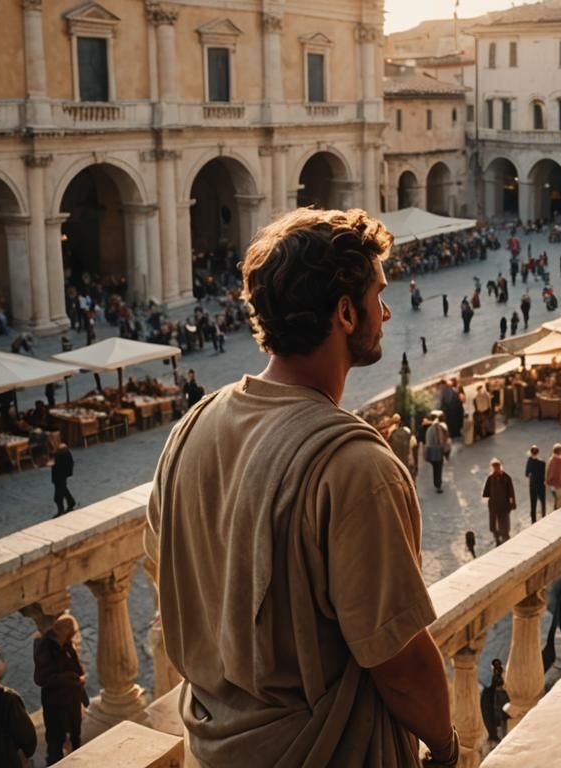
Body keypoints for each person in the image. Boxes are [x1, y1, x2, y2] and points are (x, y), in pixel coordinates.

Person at [144, 208, 458, 767]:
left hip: (213, 749)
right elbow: (400, 660)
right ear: (344, 312)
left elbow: (161, 573)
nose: (385, 312)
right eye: (377, 295)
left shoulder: (189, 429)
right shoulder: (356, 468)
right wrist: (447, 745)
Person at [34, 614, 87, 764]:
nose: (72, 637)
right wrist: (69, 678)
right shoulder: (44, 647)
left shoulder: (67, 644)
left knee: (75, 735)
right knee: (56, 740)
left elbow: (78, 670)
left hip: (71, 699)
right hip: (55, 702)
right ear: (62, 631)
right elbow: (41, 679)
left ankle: (78, 762)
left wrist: (77, 678)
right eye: (71, 633)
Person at [482, 459, 516, 546]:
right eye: (494, 467)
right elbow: (486, 492)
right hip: (494, 506)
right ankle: (497, 540)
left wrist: (512, 503)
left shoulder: (506, 477)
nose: (496, 469)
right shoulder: (491, 478)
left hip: (503, 506)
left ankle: (506, 542)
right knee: (493, 526)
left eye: (497, 467)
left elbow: (511, 492)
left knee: (504, 527)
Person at [424, 411, 452, 493]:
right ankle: (438, 485)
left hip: (431, 451)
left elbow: (426, 441)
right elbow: (444, 439)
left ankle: (437, 483)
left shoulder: (428, 429)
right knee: (438, 469)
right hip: (438, 451)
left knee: (435, 469)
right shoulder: (441, 427)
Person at [387, 414, 417, 480]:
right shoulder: (407, 431)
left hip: (396, 464)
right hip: (408, 462)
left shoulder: (390, 432)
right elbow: (414, 445)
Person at [51, 443, 76, 516]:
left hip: (59, 476)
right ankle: (70, 503)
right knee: (63, 490)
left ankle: (61, 510)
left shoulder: (62, 456)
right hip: (60, 476)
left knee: (58, 496)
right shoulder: (65, 455)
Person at [524, 445, 547, 522]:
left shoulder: (529, 461)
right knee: (543, 503)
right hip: (541, 485)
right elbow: (545, 475)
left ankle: (533, 521)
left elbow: (526, 474)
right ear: (538, 452)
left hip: (532, 485)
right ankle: (544, 518)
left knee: (533, 504)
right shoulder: (542, 463)